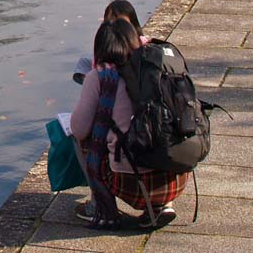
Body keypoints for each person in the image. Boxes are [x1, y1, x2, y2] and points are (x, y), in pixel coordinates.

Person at [70, 19, 187, 230]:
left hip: (133, 186)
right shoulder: (161, 66)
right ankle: (163, 206)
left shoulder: (101, 76)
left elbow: (79, 129)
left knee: (79, 136)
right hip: (177, 178)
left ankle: (100, 207)